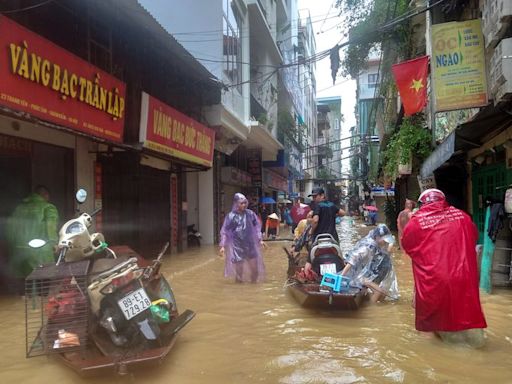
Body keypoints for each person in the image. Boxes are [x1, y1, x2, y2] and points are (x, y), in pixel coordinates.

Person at [401, 188, 487, 347]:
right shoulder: (463, 216)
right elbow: (472, 238)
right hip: (464, 277)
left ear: (422, 203)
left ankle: (430, 358)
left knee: (429, 324)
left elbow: (407, 247)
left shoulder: (416, 221)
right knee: (467, 315)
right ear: (443, 200)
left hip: (433, 281)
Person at [5, 185, 59, 293]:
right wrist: (54, 243)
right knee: (42, 287)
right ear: (45, 195)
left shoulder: (18, 208)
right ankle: (41, 306)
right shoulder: (48, 208)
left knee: (25, 290)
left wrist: (12, 247)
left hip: (19, 253)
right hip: (40, 253)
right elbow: (50, 227)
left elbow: (9, 230)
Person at [339, 224, 399, 303]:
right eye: (383, 239)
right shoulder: (367, 247)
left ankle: (370, 305)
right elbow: (352, 260)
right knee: (378, 292)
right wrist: (341, 276)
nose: (385, 242)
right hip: (357, 275)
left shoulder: (379, 244)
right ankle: (370, 309)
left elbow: (389, 248)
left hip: (367, 274)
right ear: (377, 237)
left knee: (383, 293)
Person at [219, 193, 266, 283]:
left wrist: (260, 239)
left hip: (250, 245)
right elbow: (224, 231)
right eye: (241, 203)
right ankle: (239, 292)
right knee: (239, 274)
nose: (244, 205)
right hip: (238, 247)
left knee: (255, 271)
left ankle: (253, 290)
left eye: (245, 203)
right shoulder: (231, 216)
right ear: (236, 203)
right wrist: (222, 245)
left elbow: (257, 226)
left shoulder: (250, 214)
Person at [303, 187, 345, 274]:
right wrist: (333, 214)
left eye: (316, 196)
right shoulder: (332, 205)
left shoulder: (318, 206)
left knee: (309, 260)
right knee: (340, 257)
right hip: (332, 238)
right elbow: (343, 213)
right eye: (313, 197)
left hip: (319, 239)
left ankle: (306, 276)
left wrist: (311, 232)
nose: (314, 199)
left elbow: (315, 220)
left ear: (322, 196)